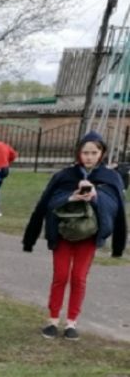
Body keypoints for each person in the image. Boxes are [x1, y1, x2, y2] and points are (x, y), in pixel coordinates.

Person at [23, 131, 126, 340]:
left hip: (88, 236)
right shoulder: (65, 176)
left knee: (78, 278)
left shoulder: (110, 177)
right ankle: (52, 320)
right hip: (63, 234)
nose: (89, 156)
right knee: (60, 276)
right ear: (79, 153)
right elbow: (48, 203)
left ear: (101, 153)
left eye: (93, 152)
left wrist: (96, 197)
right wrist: (70, 197)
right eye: (85, 152)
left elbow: (116, 208)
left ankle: (72, 322)